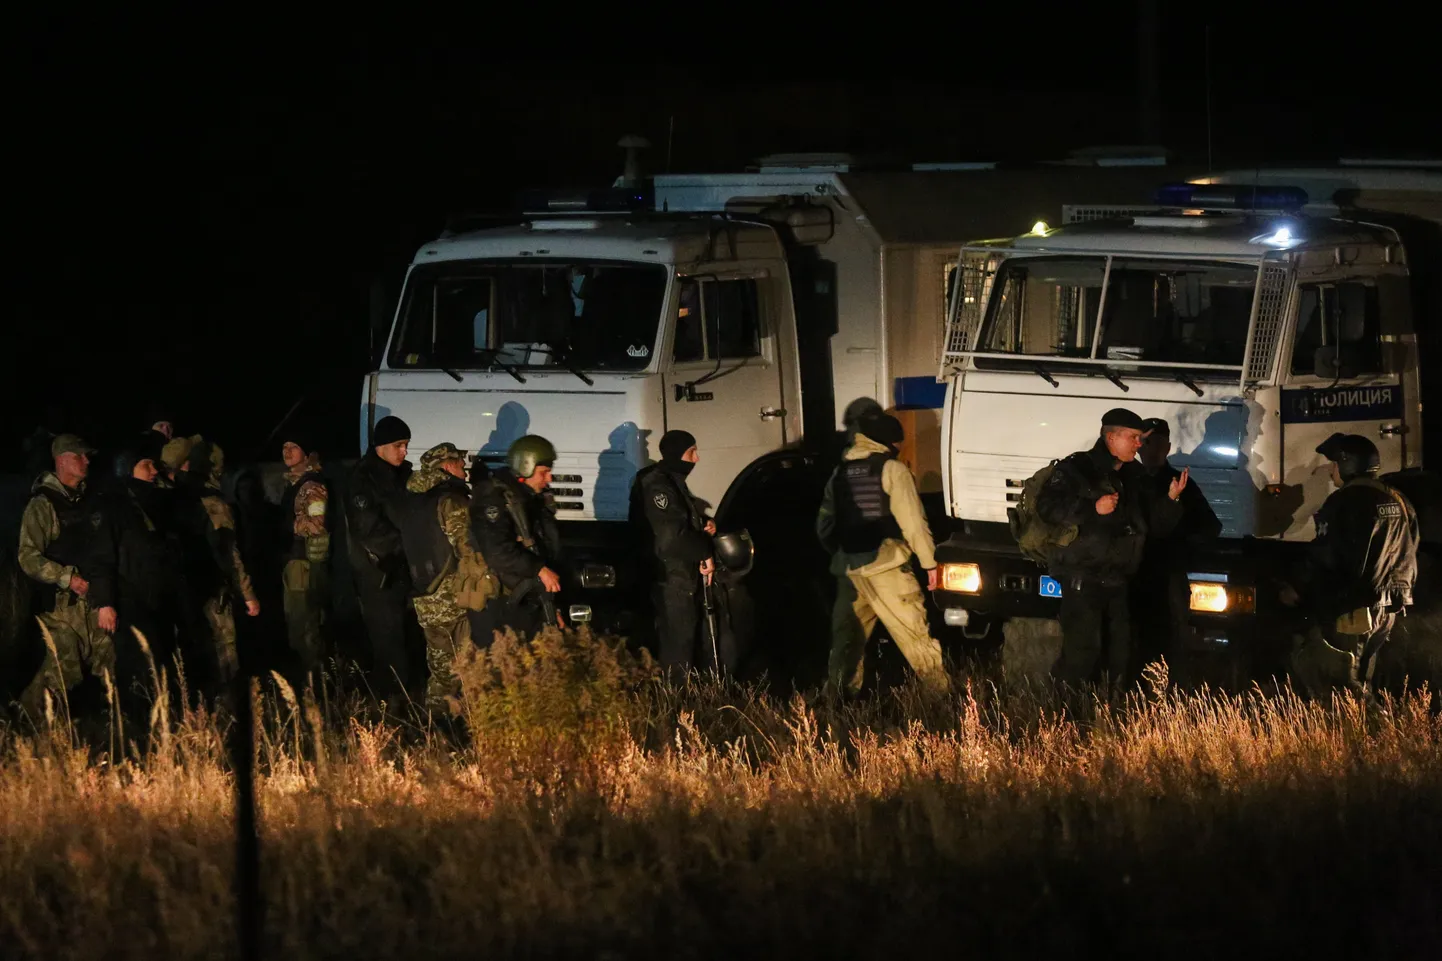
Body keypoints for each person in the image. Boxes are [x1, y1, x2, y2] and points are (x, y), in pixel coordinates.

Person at [1036, 409, 1186, 690]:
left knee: (1120, 657)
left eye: (1140, 439)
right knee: (1082, 655)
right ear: (1111, 437)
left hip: (1118, 580)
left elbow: (1151, 523)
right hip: (1084, 578)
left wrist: (1170, 499)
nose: (1138, 444)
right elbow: (1047, 508)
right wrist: (1092, 508)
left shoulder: (1134, 474)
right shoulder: (1077, 469)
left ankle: (1109, 719)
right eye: (1132, 438)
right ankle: (1065, 720)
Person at [817, 412, 948, 696]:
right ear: (889, 442)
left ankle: (835, 710)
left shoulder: (840, 473)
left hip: (849, 572)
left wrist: (843, 555)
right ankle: (943, 707)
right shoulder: (892, 469)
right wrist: (930, 565)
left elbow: (824, 525)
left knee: (846, 646)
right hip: (887, 568)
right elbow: (913, 523)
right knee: (916, 639)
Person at [1281, 433, 1419, 700]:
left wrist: (1298, 588)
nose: (1332, 470)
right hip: (1388, 609)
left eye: (1334, 463)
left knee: (1337, 683)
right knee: (1361, 678)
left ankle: (1370, 730)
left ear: (1347, 463)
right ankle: (1364, 735)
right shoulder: (1399, 499)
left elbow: (1325, 554)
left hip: (1352, 609)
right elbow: (1411, 550)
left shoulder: (1344, 501)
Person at [14, 434, 116, 723]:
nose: (86, 462)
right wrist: (66, 578)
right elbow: (28, 557)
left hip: (92, 598)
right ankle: (28, 727)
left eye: (87, 456)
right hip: (60, 604)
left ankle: (112, 727)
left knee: (107, 656)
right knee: (63, 666)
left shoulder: (89, 500)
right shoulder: (42, 505)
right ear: (61, 460)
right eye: (79, 456)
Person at [395, 444, 499, 715]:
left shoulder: (413, 498)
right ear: (445, 466)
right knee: (463, 666)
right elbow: (467, 548)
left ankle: (433, 729)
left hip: (424, 595)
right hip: (451, 597)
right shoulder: (450, 500)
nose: (462, 466)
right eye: (458, 462)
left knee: (440, 669)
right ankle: (457, 728)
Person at [89, 436, 187, 719]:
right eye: (146, 465)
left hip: (158, 600)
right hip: (129, 600)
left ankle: (160, 721)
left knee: (160, 661)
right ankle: (134, 726)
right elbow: (101, 557)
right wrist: (105, 602)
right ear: (127, 468)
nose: (153, 471)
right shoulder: (113, 507)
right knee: (136, 664)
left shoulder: (156, 503)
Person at [161, 435, 260, 693]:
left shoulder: (172, 496)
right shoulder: (213, 503)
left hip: (184, 588)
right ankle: (227, 705)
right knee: (224, 649)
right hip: (213, 587)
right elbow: (229, 553)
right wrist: (248, 594)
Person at [1131, 417, 1223, 680]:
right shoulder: (1130, 479)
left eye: (1158, 443)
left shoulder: (1180, 483)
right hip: (1133, 575)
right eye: (1147, 443)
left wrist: (1181, 550)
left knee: (1169, 643)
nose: (1151, 449)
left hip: (1167, 577)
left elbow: (1210, 527)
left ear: (1168, 447)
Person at [631, 430, 720, 676]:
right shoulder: (658, 485)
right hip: (670, 578)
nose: (697, 459)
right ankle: (676, 705)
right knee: (677, 649)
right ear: (678, 454)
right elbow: (671, 539)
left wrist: (702, 522)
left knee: (683, 644)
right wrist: (705, 550)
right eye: (692, 452)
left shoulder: (668, 480)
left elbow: (677, 519)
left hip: (673, 576)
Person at [345, 415, 416, 694]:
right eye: (399, 445)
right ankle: (390, 706)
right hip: (379, 573)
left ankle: (408, 697)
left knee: (406, 637)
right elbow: (370, 530)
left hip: (402, 569)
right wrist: (409, 548)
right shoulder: (363, 479)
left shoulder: (400, 474)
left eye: (406, 445)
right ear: (381, 446)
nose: (405, 451)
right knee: (388, 642)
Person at [473, 435, 564, 639]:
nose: (549, 478)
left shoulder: (532, 500)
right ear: (526, 467)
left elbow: (546, 548)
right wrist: (539, 569)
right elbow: (498, 551)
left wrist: (552, 608)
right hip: (501, 605)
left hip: (531, 602)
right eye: (544, 472)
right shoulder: (495, 498)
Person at [279, 430, 330, 673]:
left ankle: (314, 682)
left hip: (304, 564)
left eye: (294, 446)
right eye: (284, 446)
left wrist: (288, 524)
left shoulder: (311, 485)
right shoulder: (294, 484)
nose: (287, 451)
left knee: (304, 625)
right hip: (295, 562)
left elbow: (317, 524)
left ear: (307, 453)